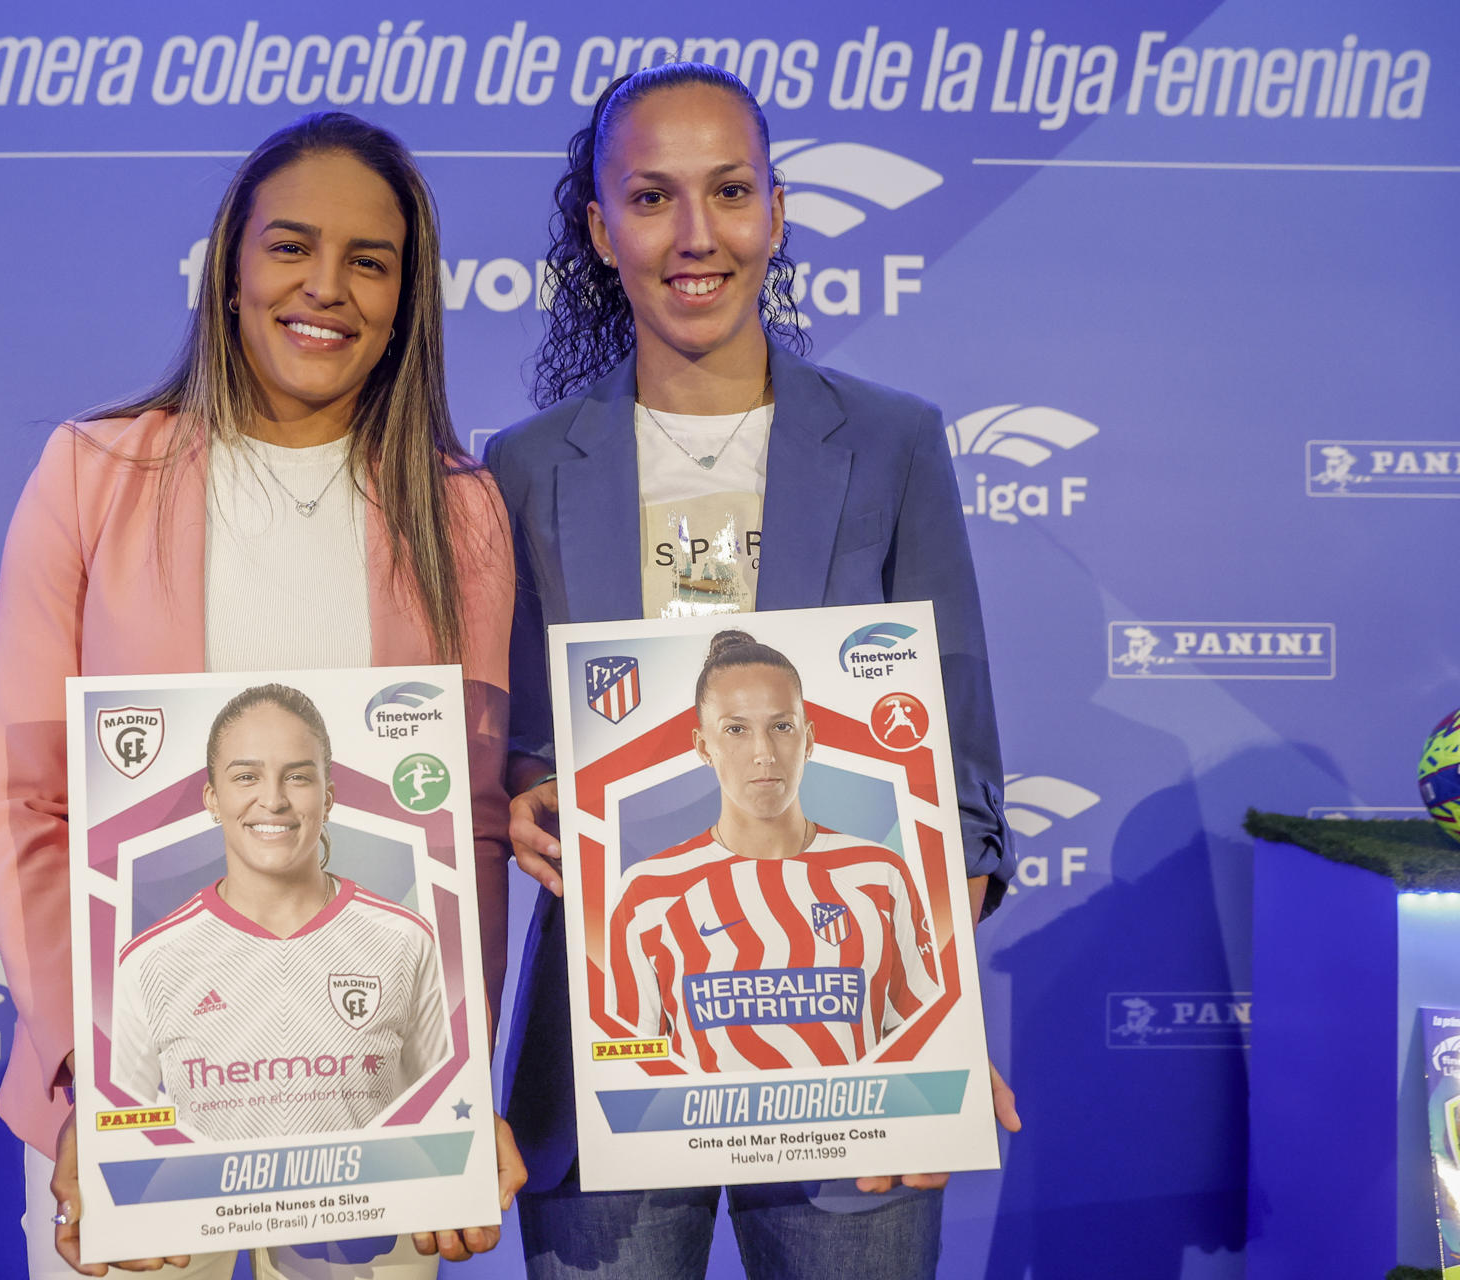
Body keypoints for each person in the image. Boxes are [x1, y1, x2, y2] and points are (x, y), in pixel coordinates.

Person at [482, 64, 1020, 1279]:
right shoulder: (518, 468)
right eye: (652, 197)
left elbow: (965, 780)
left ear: (776, 213)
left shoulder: (892, 441)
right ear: (600, 229)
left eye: (729, 192)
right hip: (612, 1047)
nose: (696, 235)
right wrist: (518, 793)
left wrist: (921, 1014)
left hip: (856, 1053)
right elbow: (510, 741)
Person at [0, 111, 523, 1280]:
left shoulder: (458, 506)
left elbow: (461, 835)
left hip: (370, 1109)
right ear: (230, 267)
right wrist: (88, 1084)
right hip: (136, 1104)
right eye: (291, 246)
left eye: (369, 261)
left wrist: (452, 1084)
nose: (326, 287)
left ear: (406, 297)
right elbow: (26, 809)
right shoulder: (92, 473)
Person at [112, 684, 450, 1137]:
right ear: (212, 799)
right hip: (216, 1209)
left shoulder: (404, 940)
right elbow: (117, 1133)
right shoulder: (149, 961)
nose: (273, 799)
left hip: (370, 1207)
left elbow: (445, 1114)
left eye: (297, 776)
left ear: (327, 799)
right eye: (247, 776)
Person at [605, 631, 937, 1072]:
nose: (763, 753)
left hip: (855, 1137)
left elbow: (925, 1039)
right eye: (736, 730)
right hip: (706, 1141)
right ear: (704, 746)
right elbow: (622, 1058)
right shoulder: (647, 892)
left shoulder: (879, 875)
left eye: (781, 726)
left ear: (810, 739)